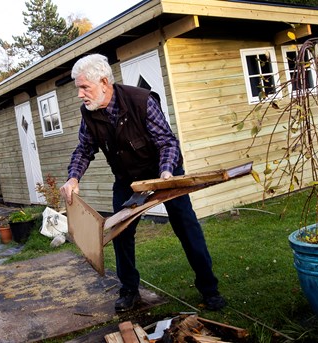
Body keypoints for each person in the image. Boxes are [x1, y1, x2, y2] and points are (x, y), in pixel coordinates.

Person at [60, 53, 226, 312]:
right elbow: (84, 150)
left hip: (163, 173)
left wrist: (166, 173)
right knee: (121, 233)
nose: (80, 94)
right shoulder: (89, 114)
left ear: (104, 82)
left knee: (186, 227)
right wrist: (73, 178)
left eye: (84, 87)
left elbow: (167, 142)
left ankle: (210, 289)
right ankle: (129, 291)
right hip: (127, 179)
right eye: (78, 88)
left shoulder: (141, 101)